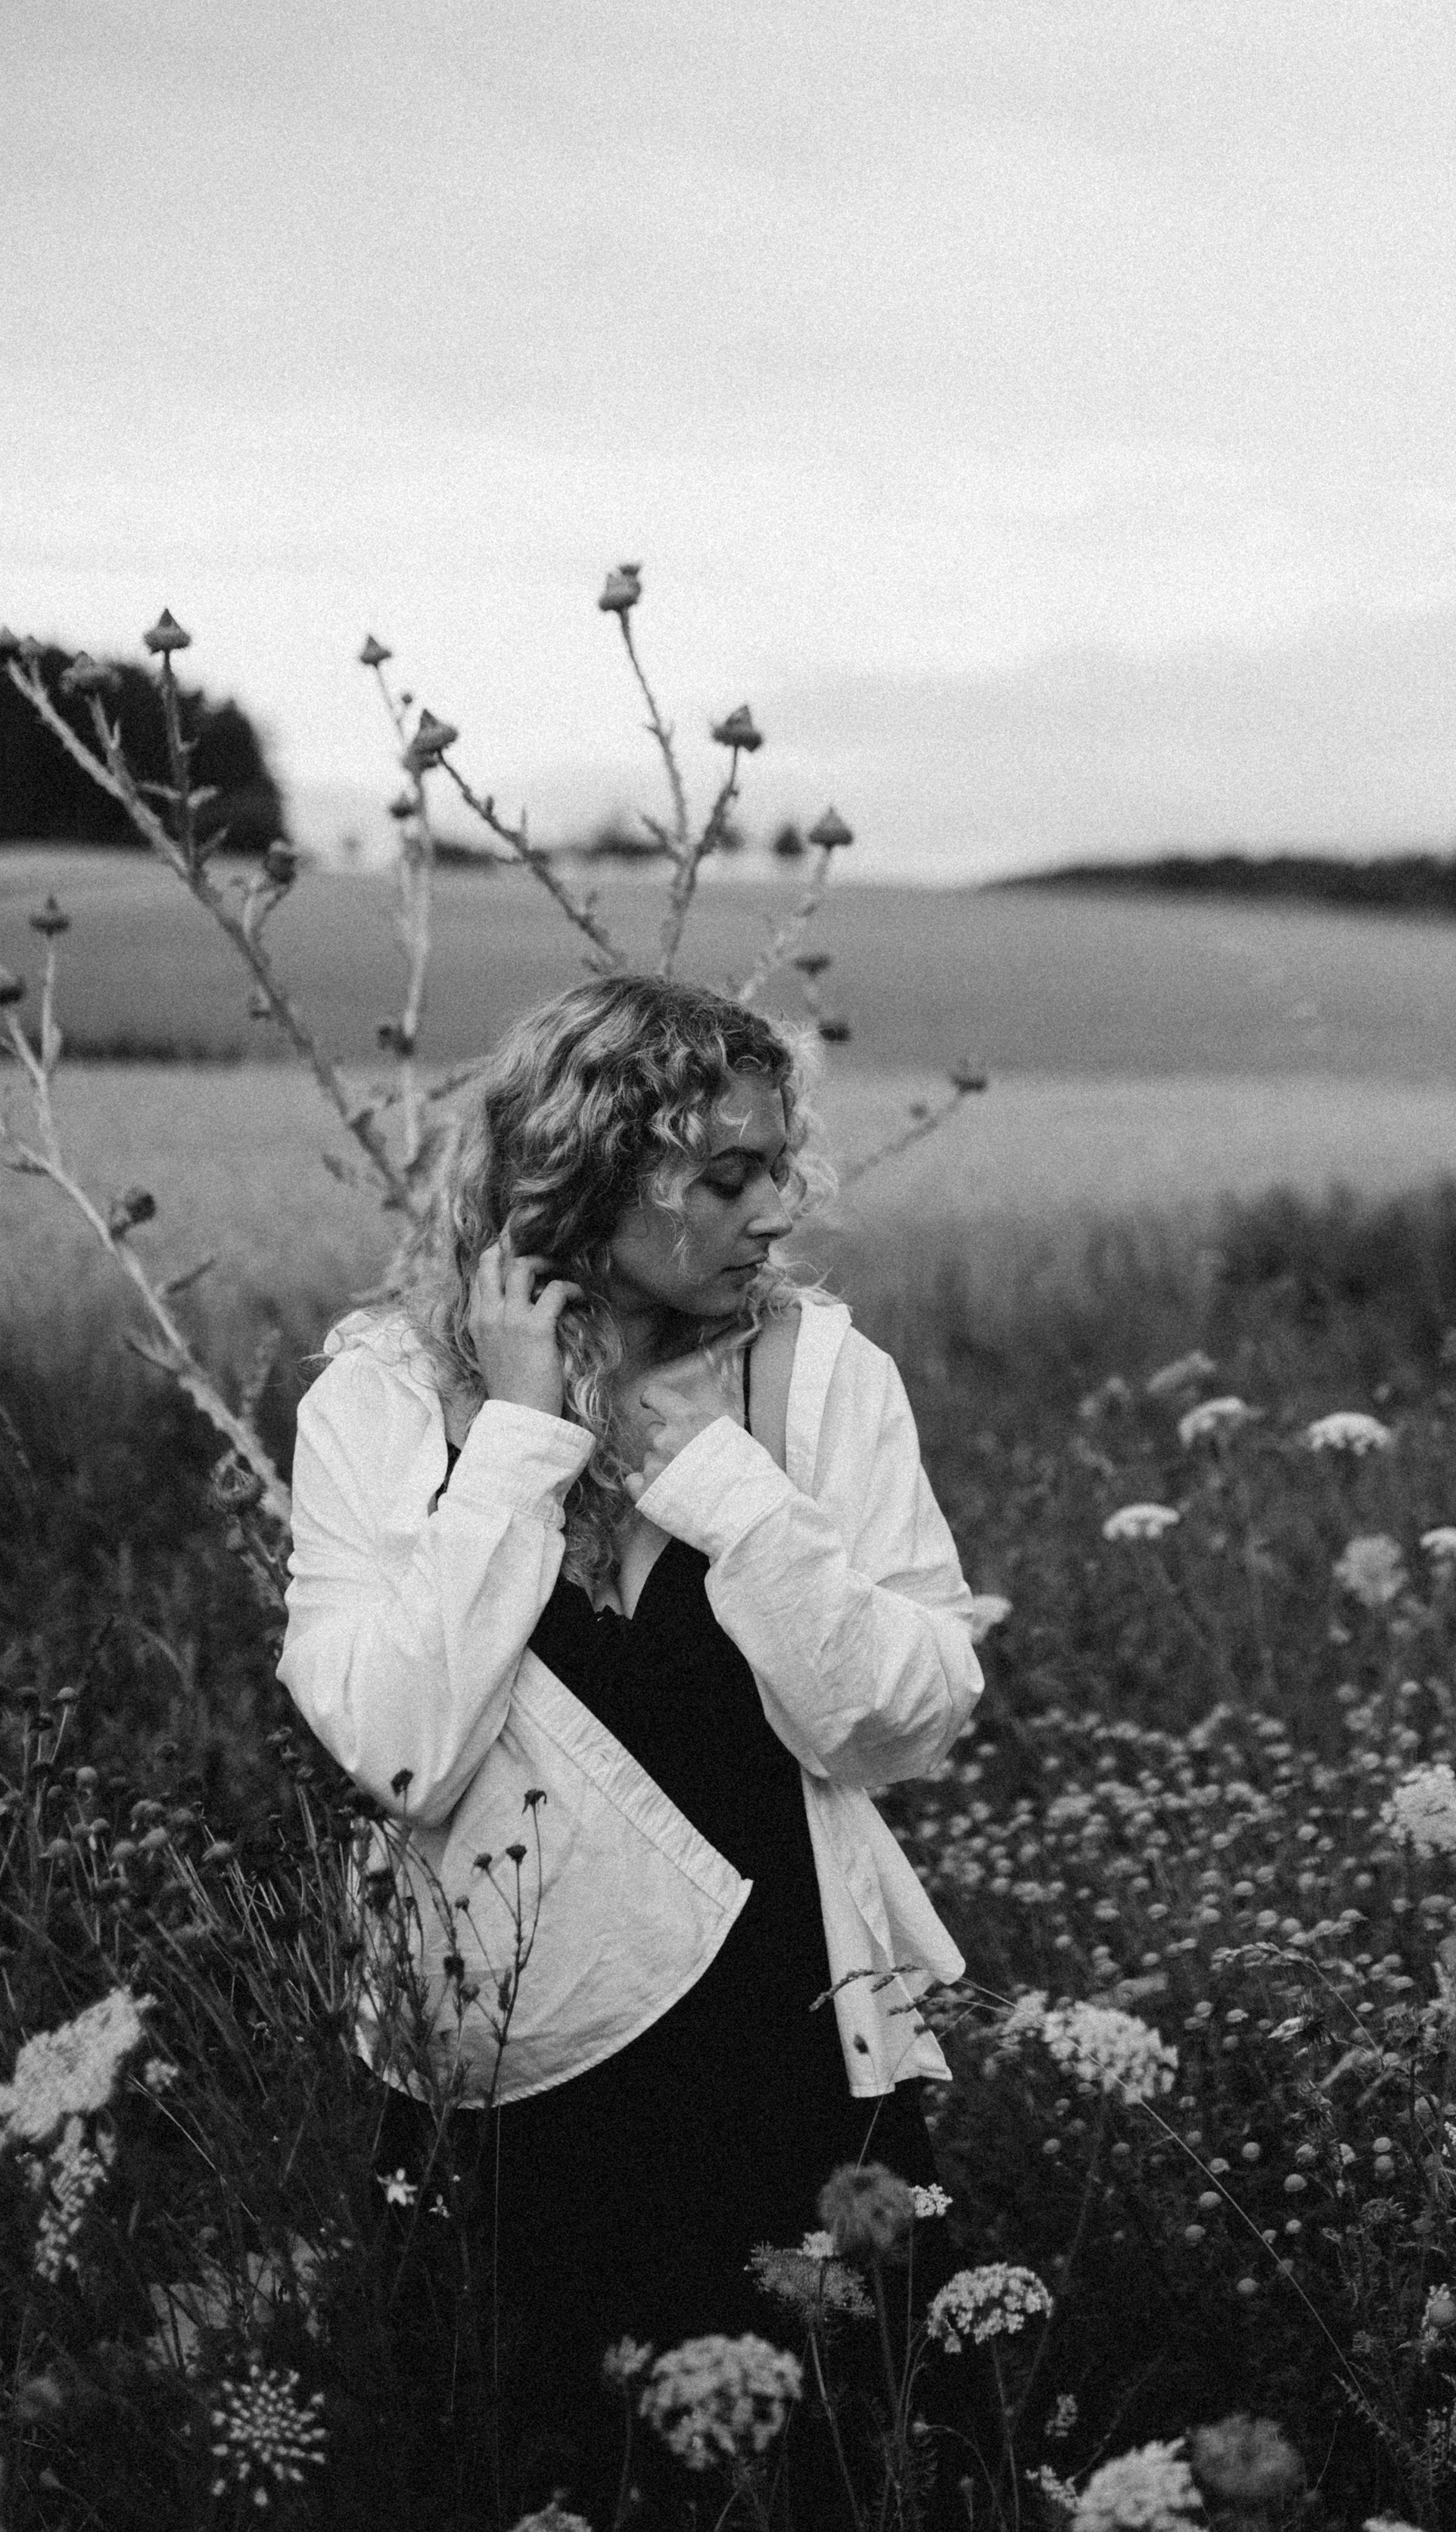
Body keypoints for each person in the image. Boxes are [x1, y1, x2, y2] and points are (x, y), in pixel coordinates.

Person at [277, 976, 984, 2515]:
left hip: (788, 2064)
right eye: (724, 1175)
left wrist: (732, 1494)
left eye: (778, 1167)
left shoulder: (815, 1378)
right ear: (585, 1172)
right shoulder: (383, 1403)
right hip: (516, 2085)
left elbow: (905, 1716)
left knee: (848, 2466)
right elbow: (396, 1748)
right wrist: (520, 1445)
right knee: (545, 2473)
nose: (772, 1212)